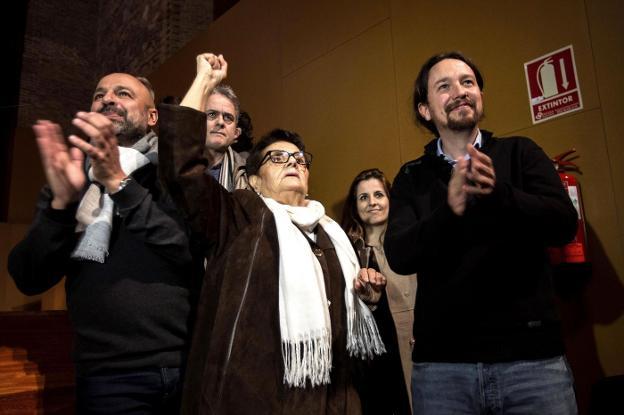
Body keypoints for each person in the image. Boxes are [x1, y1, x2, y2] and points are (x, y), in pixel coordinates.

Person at [158, 92, 388, 413]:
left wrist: (368, 297)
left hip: (328, 400)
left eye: (299, 159)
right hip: (253, 399)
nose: (293, 162)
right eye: (277, 158)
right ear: (254, 180)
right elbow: (181, 170)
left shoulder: (331, 234)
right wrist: (203, 82)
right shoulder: (236, 214)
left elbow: (346, 333)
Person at [384, 51, 579, 414]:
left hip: (533, 364)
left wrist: (500, 195)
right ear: (425, 109)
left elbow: (563, 223)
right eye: (444, 86)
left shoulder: (520, 152)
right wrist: (450, 211)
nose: (459, 91)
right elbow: (398, 253)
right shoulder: (412, 177)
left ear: (480, 96)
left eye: (467, 82)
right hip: (443, 371)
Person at [8, 73, 194, 414]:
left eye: (123, 93)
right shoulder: (71, 177)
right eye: (99, 95)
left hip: (187, 367)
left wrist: (120, 185)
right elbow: (28, 276)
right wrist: (60, 206)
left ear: (153, 117)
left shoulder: (174, 174)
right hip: (109, 378)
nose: (108, 99)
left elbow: (187, 251)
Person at [341, 168, 417, 413]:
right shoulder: (348, 255)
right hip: (383, 369)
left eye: (378, 195)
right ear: (355, 206)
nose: (372, 202)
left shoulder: (414, 241)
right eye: (363, 197)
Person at [180, 52, 249, 191]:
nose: (220, 122)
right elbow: (178, 136)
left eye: (228, 117)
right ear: (198, 122)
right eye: (212, 114)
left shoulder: (250, 172)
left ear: (236, 133)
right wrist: (203, 77)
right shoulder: (175, 161)